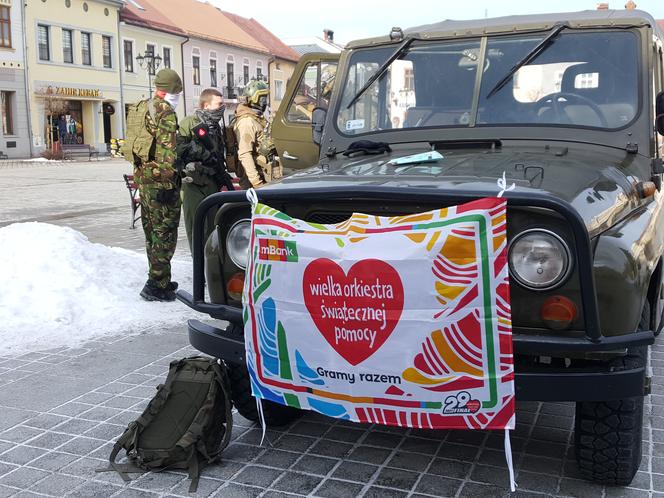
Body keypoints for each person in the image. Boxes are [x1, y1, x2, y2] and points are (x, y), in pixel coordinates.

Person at [131, 68, 183, 302]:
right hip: (162, 183)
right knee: (165, 232)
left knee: (151, 231)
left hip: (144, 179)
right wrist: (167, 185)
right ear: (172, 91)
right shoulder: (166, 113)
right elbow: (167, 154)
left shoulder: (143, 107)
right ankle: (156, 285)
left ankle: (159, 277)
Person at [177, 88, 228, 252]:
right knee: (196, 229)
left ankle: (210, 268)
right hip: (193, 184)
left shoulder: (216, 127)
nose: (222, 107)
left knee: (213, 229)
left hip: (211, 183)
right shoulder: (190, 123)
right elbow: (178, 148)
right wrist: (202, 153)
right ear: (206, 105)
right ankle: (198, 270)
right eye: (219, 104)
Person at [233, 80, 281, 189]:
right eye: (262, 98)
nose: (265, 102)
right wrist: (257, 183)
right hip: (255, 180)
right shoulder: (247, 122)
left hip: (265, 172)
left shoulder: (257, 118)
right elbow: (245, 154)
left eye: (265, 97)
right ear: (253, 99)